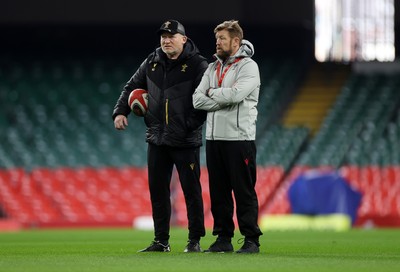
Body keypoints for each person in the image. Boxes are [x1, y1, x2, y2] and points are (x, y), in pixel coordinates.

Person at [112, 19, 208, 253]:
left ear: (183, 39)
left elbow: (206, 99)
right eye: (163, 36)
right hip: (157, 138)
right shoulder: (152, 61)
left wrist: (188, 125)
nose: (165, 40)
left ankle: (194, 240)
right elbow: (131, 86)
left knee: (191, 192)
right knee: (158, 191)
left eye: (171, 36)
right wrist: (120, 111)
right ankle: (161, 241)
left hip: (185, 139)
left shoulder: (198, 64)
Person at [193, 20, 263, 253]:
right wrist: (220, 98)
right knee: (219, 193)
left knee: (244, 191)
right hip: (214, 140)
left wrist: (213, 94)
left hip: (239, 139)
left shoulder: (248, 66)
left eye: (222, 38)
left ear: (236, 41)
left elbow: (236, 95)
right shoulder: (213, 67)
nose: (218, 42)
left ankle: (251, 239)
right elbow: (196, 99)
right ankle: (223, 238)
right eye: (217, 39)